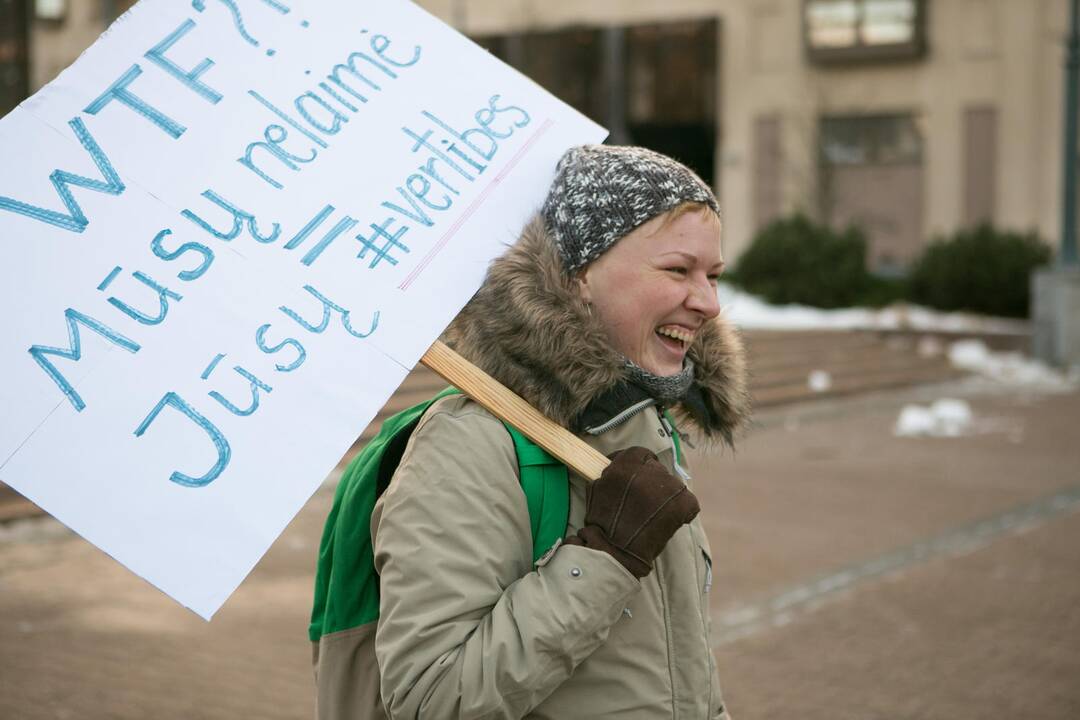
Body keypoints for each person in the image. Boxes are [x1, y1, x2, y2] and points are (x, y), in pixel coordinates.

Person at [318, 145, 750, 719]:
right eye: (678, 270)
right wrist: (606, 558)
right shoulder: (471, 445)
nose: (708, 303)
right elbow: (430, 698)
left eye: (713, 275)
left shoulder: (643, 419)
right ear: (578, 277)